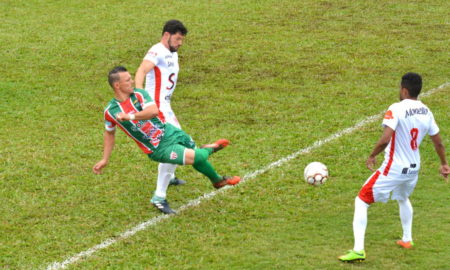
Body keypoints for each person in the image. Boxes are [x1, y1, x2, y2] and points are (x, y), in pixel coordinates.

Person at [93, 66, 240, 214]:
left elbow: (153, 111)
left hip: (169, 131)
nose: (132, 81)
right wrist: (105, 159)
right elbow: (109, 133)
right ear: (117, 85)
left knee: (198, 158)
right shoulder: (110, 111)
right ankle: (210, 148)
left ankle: (217, 180)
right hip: (157, 148)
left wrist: (130, 116)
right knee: (198, 156)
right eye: (128, 80)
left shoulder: (139, 94)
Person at [339, 72, 450, 262]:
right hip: (414, 169)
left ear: (404, 90)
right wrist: (444, 164)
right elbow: (438, 142)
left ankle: (358, 250)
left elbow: (386, 138)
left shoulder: (396, 108)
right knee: (403, 197)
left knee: (362, 200)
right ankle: (407, 239)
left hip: (394, 168)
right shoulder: (426, 111)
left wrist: (373, 155)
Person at [134, 20, 188, 206]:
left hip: (165, 106)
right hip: (157, 108)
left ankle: (170, 175)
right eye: (178, 38)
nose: (180, 43)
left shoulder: (172, 53)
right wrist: (139, 95)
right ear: (167, 35)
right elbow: (141, 70)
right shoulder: (157, 51)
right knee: (175, 145)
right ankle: (159, 196)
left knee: (175, 142)